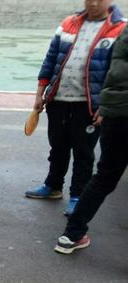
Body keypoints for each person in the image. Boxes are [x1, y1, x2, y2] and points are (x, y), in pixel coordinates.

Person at [25, 0, 125, 216]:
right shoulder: (68, 23)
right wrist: (40, 94)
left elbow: (119, 75)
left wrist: (105, 107)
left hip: (89, 106)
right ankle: (53, 186)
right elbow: (50, 60)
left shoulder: (121, 29)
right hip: (58, 100)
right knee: (58, 146)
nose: (93, 3)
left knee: (84, 152)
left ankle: (78, 195)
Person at [55, 24, 128, 254]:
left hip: (116, 113)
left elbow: (109, 71)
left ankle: (71, 234)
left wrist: (104, 105)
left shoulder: (124, 33)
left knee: (104, 177)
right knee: (102, 175)